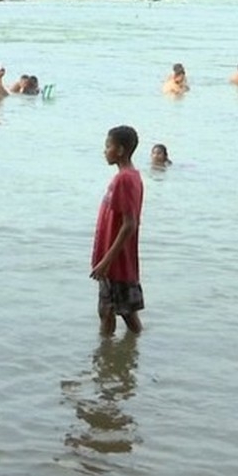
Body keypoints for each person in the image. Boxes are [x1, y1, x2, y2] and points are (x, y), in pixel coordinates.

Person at [90, 125, 145, 336]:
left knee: (109, 312)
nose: (105, 151)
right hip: (117, 260)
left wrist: (106, 261)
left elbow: (130, 224)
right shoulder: (130, 176)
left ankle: (105, 352)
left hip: (116, 262)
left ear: (120, 150)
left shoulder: (125, 179)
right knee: (123, 312)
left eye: (108, 146)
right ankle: (124, 350)